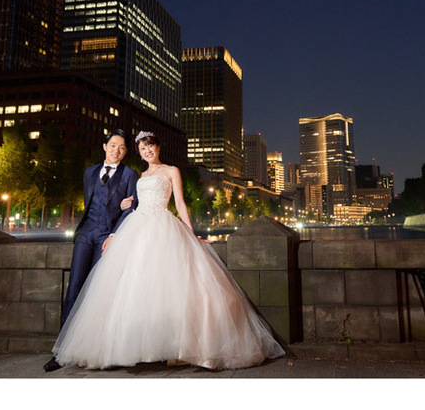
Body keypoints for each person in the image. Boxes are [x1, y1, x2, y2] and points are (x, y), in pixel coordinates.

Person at [50, 131, 285, 371]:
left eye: (150, 146)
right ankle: (137, 347)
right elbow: (131, 204)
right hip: (137, 225)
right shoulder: (137, 175)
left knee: (165, 286)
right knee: (133, 287)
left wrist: (192, 235)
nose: (147, 151)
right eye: (142, 148)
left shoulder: (172, 171)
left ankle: (169, 347)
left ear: (158, 147)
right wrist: (122, 206)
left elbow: (180, 204)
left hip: (162, 224)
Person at [44, 129, 138, 372]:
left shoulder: (130, 174)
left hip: (108, 236)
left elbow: (132, 207)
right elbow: (90, 201)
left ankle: (93, 348)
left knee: (97, 290)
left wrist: (116, 230)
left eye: (122, 147)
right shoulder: (90, 172)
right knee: (74, 286)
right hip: (86, 233)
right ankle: (61, 350)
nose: (117, 150)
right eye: (113, 145)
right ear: (104, 146)